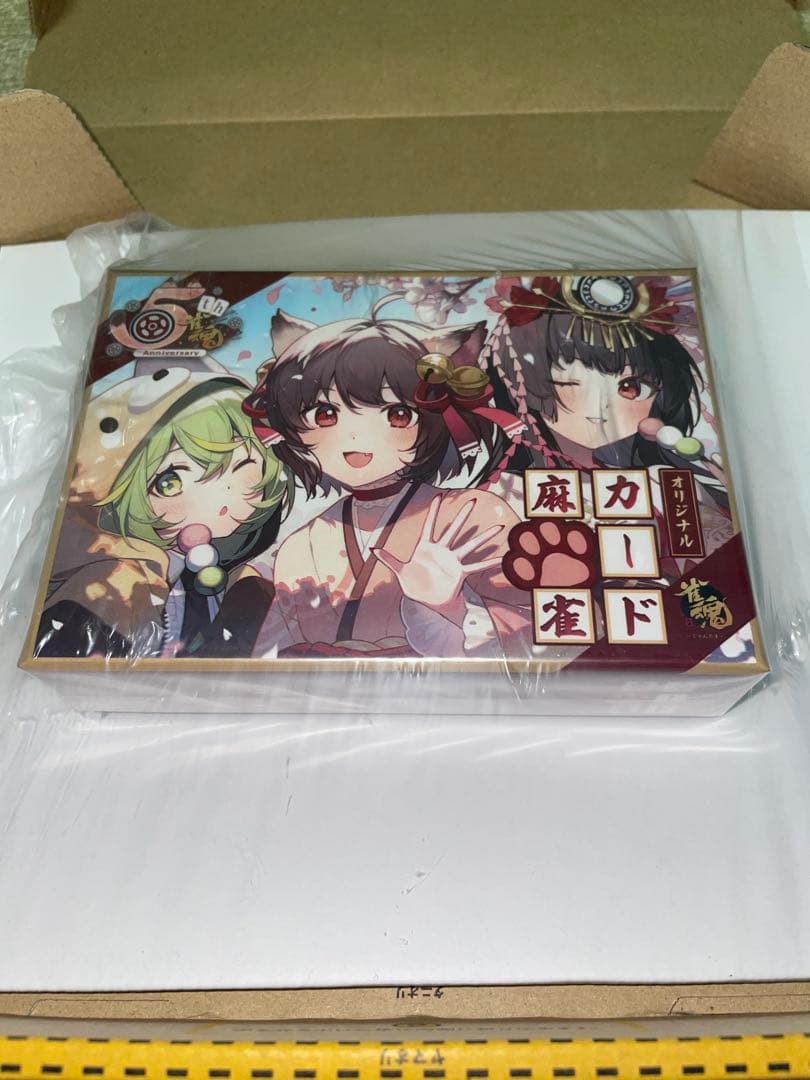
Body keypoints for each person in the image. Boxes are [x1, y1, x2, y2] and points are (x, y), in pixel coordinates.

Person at [243, 302, 532, 659]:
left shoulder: (474, 514)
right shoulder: (300, 546)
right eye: (326, 413)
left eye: (397, 414)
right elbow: (268, 657)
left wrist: (446, 607)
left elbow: (533, 641)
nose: (356, 437)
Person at [33, 356, 289, 660]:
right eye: (169, 482)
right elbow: (70, 661)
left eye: (243, 465)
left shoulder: (244, 579)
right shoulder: (112, 583)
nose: (220, 500)